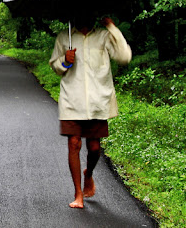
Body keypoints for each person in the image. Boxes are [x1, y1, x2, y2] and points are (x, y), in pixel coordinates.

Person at [49, 14, 132, 209]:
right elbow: (55, 66)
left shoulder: (103, 36)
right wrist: (65, 61)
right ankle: (78, 194)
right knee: (74, 144)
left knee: (94, 148)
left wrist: (112, 26)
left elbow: (124, 57)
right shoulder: (64, 37)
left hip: (97, 101)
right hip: (72, 99)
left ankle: (89, 174)